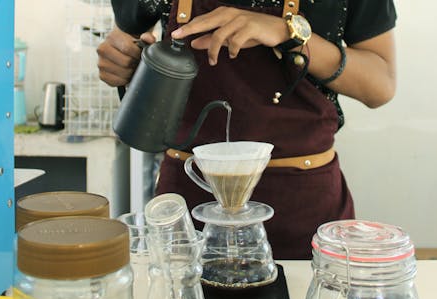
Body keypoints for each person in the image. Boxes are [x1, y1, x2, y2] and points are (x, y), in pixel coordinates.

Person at [97, 0, 397, 259]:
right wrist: (121, 63)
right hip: (187, 207)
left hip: (305, 205)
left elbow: (380, 85)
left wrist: (288, 33)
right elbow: (124, 46)